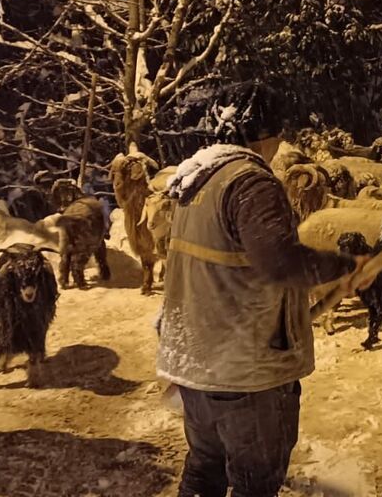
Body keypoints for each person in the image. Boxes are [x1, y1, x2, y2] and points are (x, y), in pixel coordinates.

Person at [156, 98, 368, 497]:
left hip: (197, 362)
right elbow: (280, 261)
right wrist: (343, 268)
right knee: (256, 482)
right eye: (277, 135)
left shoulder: (197, 178)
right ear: (264, 136)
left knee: (205, 470)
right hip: (243, 370)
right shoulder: (250, 182)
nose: (279, 145)